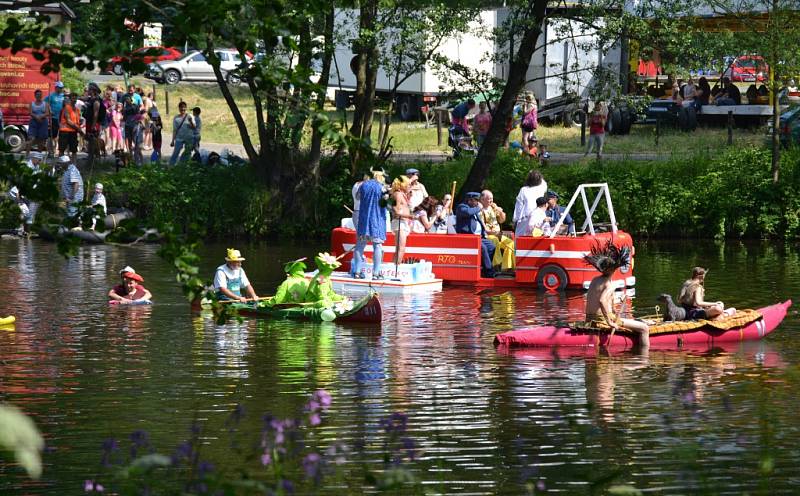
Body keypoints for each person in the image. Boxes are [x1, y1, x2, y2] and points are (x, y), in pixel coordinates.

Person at [584, 241, 649, 348]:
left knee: (635, 321)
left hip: (589, 319)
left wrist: (613, 310)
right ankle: (644, 358)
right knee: (644, 328)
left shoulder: (594, 280)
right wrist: (610, 322)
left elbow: (604, 302)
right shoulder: (608, 285)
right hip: (602, 320)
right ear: (614, 269)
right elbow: (602, 301)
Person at [351, 172, 388, 279]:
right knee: (377, 246)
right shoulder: (382, 187)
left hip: (363, 219)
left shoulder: (363, 185)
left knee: (360, 245)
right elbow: (385, 200)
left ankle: (357, 272)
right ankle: (376, 273)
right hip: (376, 220)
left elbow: (357, 197)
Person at [456, 192, 496, 278]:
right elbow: (468, 212)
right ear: (470, 200)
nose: (478, 203)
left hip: (479, 237)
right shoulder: (462, 207)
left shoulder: (474, 209)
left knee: (491, 246)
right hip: (467, 237)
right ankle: (489, 271)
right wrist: (478, 208)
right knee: (483, 248)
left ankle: (483, 268)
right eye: (476, 201)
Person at [480, 189, 514, 272]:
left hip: (498, 234)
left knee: (510, 243)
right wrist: (494, 233)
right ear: (482, 199)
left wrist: (501, 212)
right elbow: (483, 228)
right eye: (489, 199)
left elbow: (502, 221)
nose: (491, 200)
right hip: (488, 235)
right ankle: (496, 265)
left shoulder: (493, 207)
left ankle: (506, 267)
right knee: (494, 240)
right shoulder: (480, 210)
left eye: (492, 198)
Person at [512, 169, 548, 237]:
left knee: (520, 238)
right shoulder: (542, 189)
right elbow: (543, 182)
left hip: (526, 217)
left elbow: (519, 206)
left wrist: (515, 219)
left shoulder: (524, 190)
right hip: (538, 216)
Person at [390, 175, 413, 265]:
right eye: (408, 185)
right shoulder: (398, 194)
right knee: (401, 248)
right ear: (402, 185)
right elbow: (396, 212)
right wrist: (410, 216)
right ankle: (396, 269)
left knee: (399, 248)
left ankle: (395, 267)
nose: (409, 187)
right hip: (399, 222)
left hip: (403, 222)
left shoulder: (401, 194)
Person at [169, 102, 196, 166]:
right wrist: (172, 141)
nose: (182, 109)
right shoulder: (176, 118)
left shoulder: (190, 116)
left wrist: (191, 121)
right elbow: (175, 130)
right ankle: (171, 165)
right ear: (179, 108)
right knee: (176, 152)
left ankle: (182, 165)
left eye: (184, 107)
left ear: (186, 108)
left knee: (187, 152)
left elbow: (194, 127)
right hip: (179, 138)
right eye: (181, 107)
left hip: (189, 138)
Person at [58, 93, 82, 164]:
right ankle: (61, 165)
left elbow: (76, 121)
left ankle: (74, 166)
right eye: (73, 98)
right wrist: (79, 129)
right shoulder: (66, 108)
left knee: (74, 150)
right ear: (70, 99)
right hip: (65, 131)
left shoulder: (77, 110)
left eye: (75, 98)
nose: (74, 100)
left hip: (74, 132)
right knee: (62, 150)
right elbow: (68, 121)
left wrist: (79, 123)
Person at [45, 81, 65, 155]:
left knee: (60, 136)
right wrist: (49, 110)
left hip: (62, 119)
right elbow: (45, 103)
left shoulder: (63, 96)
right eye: (59, 88)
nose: (61, 89)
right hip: (54, 118)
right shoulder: (51, 96)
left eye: (61, 88)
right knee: (52, 136)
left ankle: (58, 150)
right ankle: (50, 151)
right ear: (56, 88)